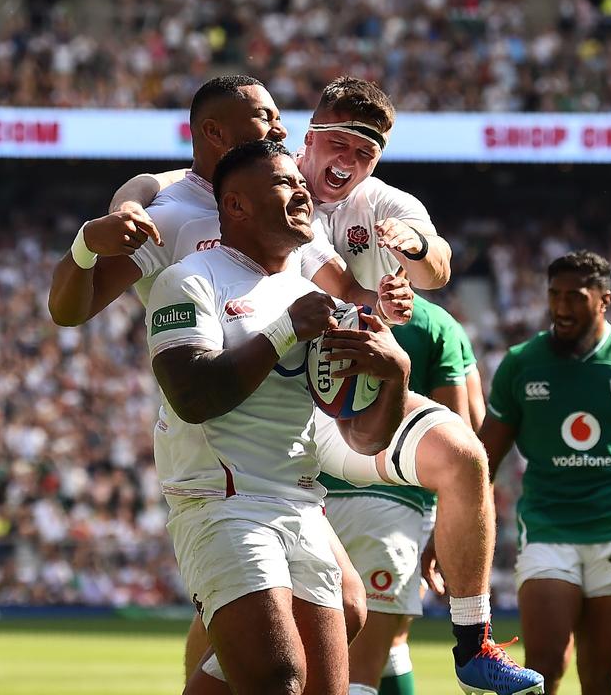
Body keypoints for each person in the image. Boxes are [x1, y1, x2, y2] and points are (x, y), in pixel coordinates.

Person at [84, 75, 542, 695]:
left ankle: (472, 641)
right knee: (247, 630)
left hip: (325, 399)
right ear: (306, 137)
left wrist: (401, 280)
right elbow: (143, 203)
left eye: (366, 152)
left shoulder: (374, 203)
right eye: (337, 145)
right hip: (234, 428)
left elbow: (427, 265)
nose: (347, 163)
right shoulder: (206, 197)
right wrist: (119, 211)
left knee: (460, 457)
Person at [145, 139, 412, 694]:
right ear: (236, 206)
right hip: (223, 503)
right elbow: (191, 396)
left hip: (301, 503)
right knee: (278, 679)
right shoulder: (191, 280)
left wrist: (395, 376)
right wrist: (286, 328)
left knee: (322, 682)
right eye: (283, 182)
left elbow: (361, 438)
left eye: (300, 181)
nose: (302, 191)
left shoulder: (314, 298)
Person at [480, 250, 611, 694]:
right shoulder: (521, 363)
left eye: (574, 297)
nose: (560, 307)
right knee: (544, 667)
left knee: (602, 677)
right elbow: (485, 458)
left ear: (604, 300)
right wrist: (457, 531)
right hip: (546, 532)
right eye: (554, 295)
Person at [320, 294, 481, 695]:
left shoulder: (314, 303)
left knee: (389, 641)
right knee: (362, 664)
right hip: (391, 502)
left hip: (315, 490)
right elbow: (461, 427)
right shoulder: (435, 323)